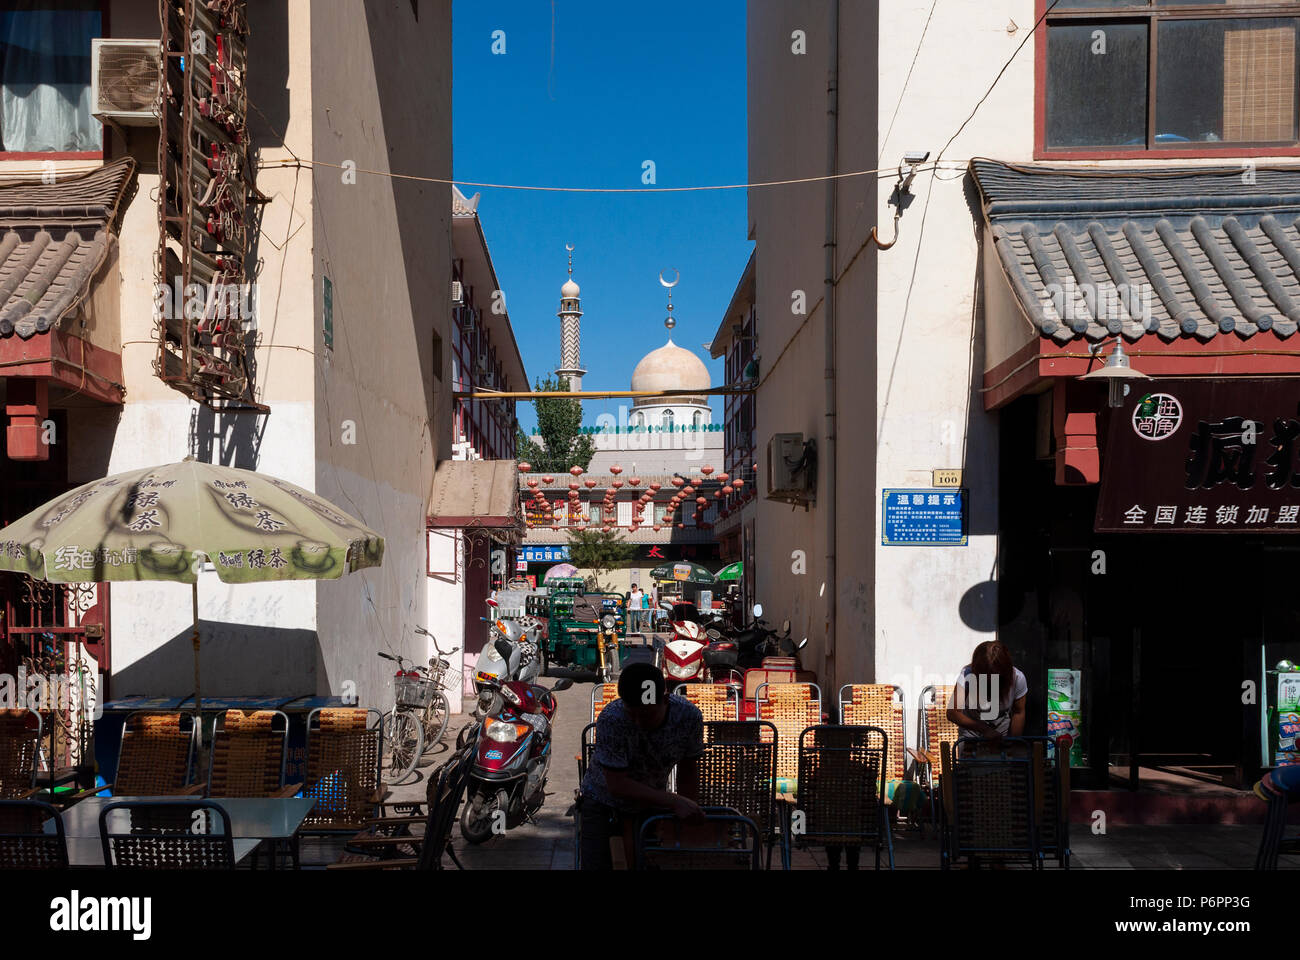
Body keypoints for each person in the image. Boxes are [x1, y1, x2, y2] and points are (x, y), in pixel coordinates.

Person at [578, 662, 705, 869]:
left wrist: (687, 809)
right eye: (632, 714)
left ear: (665, 700)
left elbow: (688, 768)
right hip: (603, 802)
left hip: (651, 802)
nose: (638, 722)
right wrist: (674, 802)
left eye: (646, 715)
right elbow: (617, 785)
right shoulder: (612, 718)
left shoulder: (688, 717)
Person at [947, 640, 1028, 743]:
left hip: (1002, 735)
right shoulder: (967, 675)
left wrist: (1014, 742)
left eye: (996, 678)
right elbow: (952, 713)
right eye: (986, 678)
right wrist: (984, 729)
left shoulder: (1017, 678)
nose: (991, 683)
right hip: (971, 735)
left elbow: (1019, 712)